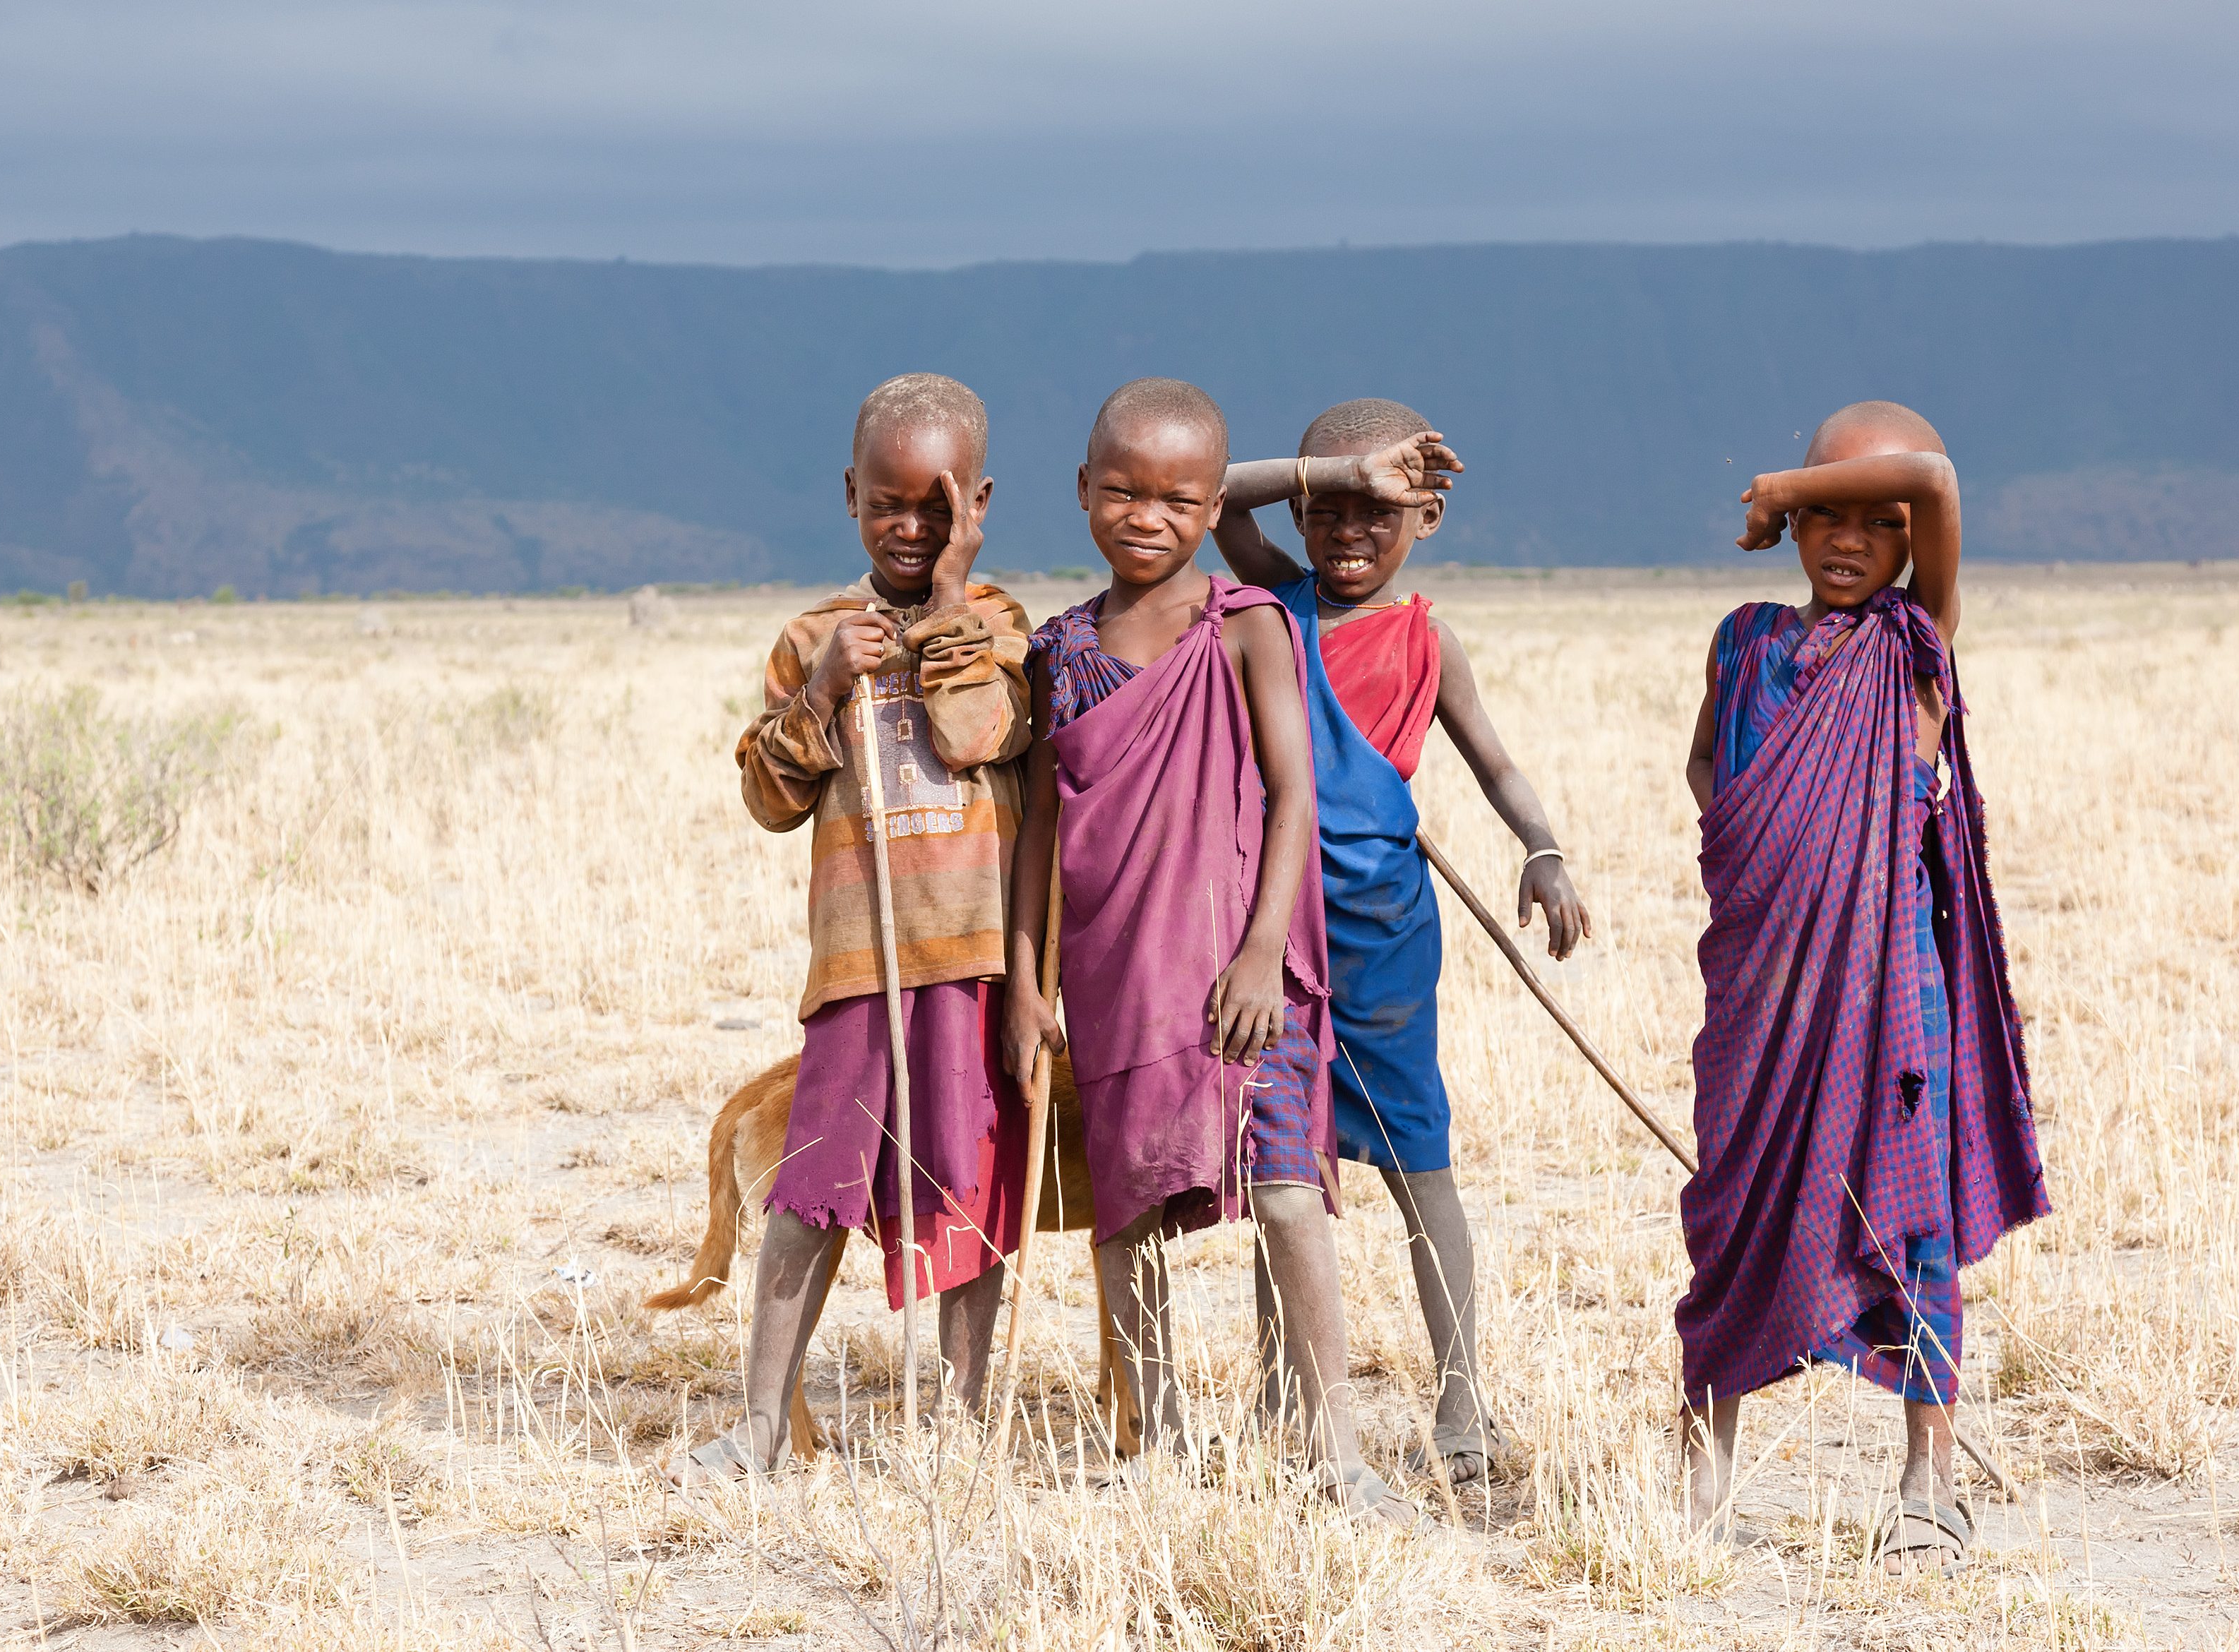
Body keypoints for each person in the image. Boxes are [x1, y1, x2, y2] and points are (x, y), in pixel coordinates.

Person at [1000, 377, 1407, 1518]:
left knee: (1285, 1198)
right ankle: (1155, 1437)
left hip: (1242, 977)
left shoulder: (1247, 626)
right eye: (1122, 491)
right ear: (1082, 492)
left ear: (1213, 502)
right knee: (1129, 1219)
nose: (1148, 517)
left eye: (1180, 499)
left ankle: (1336, 1449)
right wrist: (1030, 983)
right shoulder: (1061, 650)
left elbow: (1291, 796)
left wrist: (1263, 952)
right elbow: (1039, 826)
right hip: (1118, 979)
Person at [1675, 400, 2047, 1571]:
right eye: (1821, 517)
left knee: (1911, 1221)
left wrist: (1784, 482)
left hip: (1893, 991)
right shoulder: (1743, 641)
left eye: (1872, 524)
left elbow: (1936, 473)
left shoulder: (1916, 642)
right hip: (1759, 990)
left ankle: (1928, 1482)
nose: (1845, 540)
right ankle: (1705, 1468)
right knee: (1734, 1214)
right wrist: (1770, 860)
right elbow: (1706, 761)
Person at [1211, 397, 1591, 1484]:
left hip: (1380, 938)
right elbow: (1201, 500)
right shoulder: (1268, 605)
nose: (1347, 535)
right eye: (1328, 511)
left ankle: (1463, 1403)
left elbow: (1495, 765)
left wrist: (1543, 847)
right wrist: (1328, 469)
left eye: (1380, 515)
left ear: (1426, 517)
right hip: (1269, 935)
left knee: (1419, 1168)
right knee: (1285, 1170)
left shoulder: (1428, 640)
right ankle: (1285, 1404)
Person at [668, 373, 1034, 1485]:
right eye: (888, 504)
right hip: (861, 966)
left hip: (970, 961)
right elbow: (768, 798)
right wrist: (824, 693)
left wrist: (951, 602)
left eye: (938, 506)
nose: (911, 527)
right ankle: (763, 1422)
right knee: (813, 1186)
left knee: (970, 1188)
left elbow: (980, 737)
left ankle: (966, 1427)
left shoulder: (1004, 624)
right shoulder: (812, 638)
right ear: (849, 497)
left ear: (977, 501)